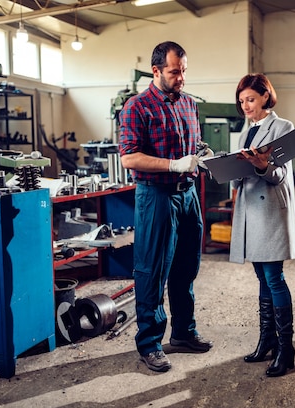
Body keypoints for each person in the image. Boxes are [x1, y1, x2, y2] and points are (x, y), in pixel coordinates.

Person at [118, 41, 213, 373]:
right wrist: (174, 165)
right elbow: (129, 156)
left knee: (187, 267)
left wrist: (202, 154)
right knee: (152, 270)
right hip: (156, 196)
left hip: (188, 195)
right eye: (175, 71)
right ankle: (150, 344)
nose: (181, 78)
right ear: (156, 70)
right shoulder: (136, 107)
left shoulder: (188, 104)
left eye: (184, 70)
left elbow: (193, 143)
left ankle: (184, 333)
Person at [229, 73, 295, 377]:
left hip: (270, 210)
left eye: (251, 99)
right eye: (242, 100)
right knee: (261, 276)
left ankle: (286, 349)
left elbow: (280, 175)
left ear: (266, 97)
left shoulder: (283, 128)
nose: (246, 105)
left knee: (273, 276)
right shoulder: (247, 131)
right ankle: (267, 340)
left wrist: (262, 165)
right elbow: (240, 170)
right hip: (250, 211)